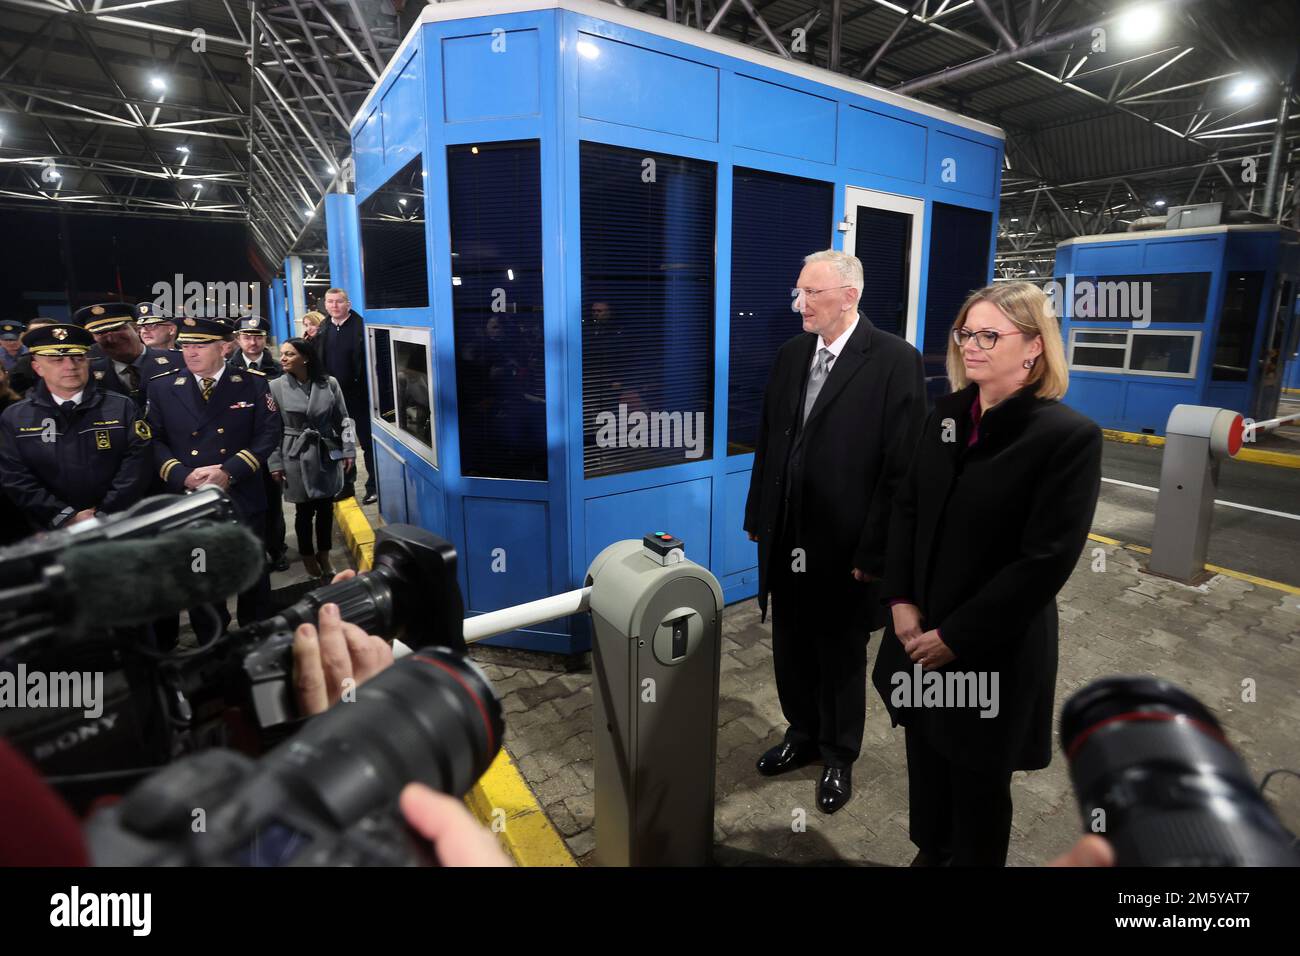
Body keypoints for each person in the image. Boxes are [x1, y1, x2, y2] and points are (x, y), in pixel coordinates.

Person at [871, 281, 1102, 867]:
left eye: (988, 335)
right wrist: (898, 599)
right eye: (966, 333)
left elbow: (1045, 561)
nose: (971, 346)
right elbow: (908, 508)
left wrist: (956, 636)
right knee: (926, 756)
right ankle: (931, 849)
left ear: (1033, 348)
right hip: (918, 634)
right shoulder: (945, 415)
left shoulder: (1065, 437)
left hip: (991, 647)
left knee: (977, 778)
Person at [744, 249, 926, 814]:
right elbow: (771, 442)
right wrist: (759, 518)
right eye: (798, 292)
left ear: (850, 295)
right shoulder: (790, 354)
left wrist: (875, 552)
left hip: (847, 549)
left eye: (812, 293)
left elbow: (902, 468)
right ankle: (801, 735)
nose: (800, 303)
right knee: (791, 645)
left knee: (839, 654)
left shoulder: (895, 360)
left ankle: (838, 754)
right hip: (787, 536)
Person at [145, 315, 282, 626]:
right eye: (185, 345)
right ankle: (212, 644)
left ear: (225, 347)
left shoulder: (252, 383)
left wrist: (229, 471)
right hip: (188, 498)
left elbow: (268, 433)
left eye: (200, 345)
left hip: (241, 493)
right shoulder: (163, 387)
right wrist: (181, 474)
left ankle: (257, 637)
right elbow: (151, 440)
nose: (190, 352)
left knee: (252, 573)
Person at [0, 323, 151, 535]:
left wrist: (102, 515)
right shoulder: (15, 416)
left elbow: (137, 466)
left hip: (119, 523)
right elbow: (15, 476)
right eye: (57, 360)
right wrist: (63, 516)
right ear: (37, 367)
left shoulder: (121, 406)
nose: (70, 366)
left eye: (78, 358)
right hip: (51, 530)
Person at [269, 337, 355, 579]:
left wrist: (349, 449)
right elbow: (271, 429)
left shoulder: (330, 384)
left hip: (325, 451)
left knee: (326, 509)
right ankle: (308, 557)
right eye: (282, 354)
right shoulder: (275, 387)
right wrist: (275, 463)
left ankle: (325, 555)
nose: (283, 358)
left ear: (305, 358)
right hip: (294, 453)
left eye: (289, 354)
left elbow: (344, 419)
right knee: (303, 512)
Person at [231, 315, 288, 571]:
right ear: (238, 339)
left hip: (270, 448)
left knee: (273, 503)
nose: (253, 342)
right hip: (239, 449)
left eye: (258, 337)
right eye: (247, 337)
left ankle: (277, 550)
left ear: (266, 339)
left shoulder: (278, 369)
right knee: (244, 507)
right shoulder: (227, 370)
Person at [315, 288, 375, 503]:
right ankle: (347, 485)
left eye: (338, 302)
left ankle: (373, 486)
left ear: (348, 304)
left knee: (368, 442)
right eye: (330, 302)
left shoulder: (361, 327)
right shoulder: (323, 328)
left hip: (361, 397)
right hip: (334, 399)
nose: (334, 306)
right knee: (342, 444)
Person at [76, 302, 182, 411]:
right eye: (101, 333)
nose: (112, 339)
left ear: (136, 329)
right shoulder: (89, 374)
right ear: (94, 339)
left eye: (117, 329)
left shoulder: (178, 361)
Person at [8, 317, 57, 395]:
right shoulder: (23, 364)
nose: (39, 338)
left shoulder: (74, 360)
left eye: (45, 333)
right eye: (33, 333)